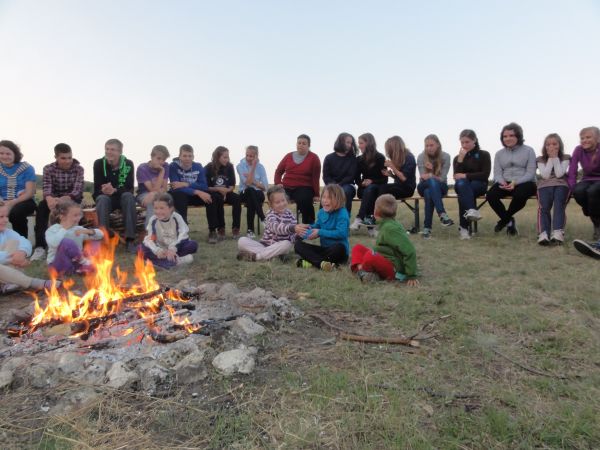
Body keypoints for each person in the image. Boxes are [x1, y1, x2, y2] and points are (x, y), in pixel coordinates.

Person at [350, 194, 419, 286]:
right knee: (358, 248)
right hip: (383, 258)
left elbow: (409, 251)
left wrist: (411, 275)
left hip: (393, 268)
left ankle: (364, 271)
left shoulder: (391, 228)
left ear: (376, 212)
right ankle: (363, 271)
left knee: (370, 256)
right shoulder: (386, 224)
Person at [32, 143, 85, 261]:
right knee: (42, 207)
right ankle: (40, 247)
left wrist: (61, 200)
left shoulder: (78, 169)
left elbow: (77, 190)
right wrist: (50, 199)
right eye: (63, 158)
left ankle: (74, 246)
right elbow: (47, 187)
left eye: (69, 157)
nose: (67, 161)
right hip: (54, 198)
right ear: (56, 157)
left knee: (73, 209)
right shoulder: (48, 168)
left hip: (72, 198)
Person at [485, 122, 537, 236]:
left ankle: (504, 220)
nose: (507, 138)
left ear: (518, 136)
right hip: (505, 181)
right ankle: (509, 221)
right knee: (490, 195)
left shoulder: (529, 150)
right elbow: (497, 173)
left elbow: (531, 173)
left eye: (511, 135)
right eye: (505, 136)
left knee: (520, 195)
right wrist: (502, 182)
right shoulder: (499, 154)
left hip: (525, 182)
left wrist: (515, 183)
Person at [169, 144, 221, 244]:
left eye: (190, 156)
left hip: (194, 195)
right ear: (179, 156)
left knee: (212, 196)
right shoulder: (173, 166)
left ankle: (212, 231)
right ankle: (183, 232)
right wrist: (197, 191)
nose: (187, 158)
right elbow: (175, 187)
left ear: (193, 157)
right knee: (178, 195)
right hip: (182, 195)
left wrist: (185, 183)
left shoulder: (198, 166)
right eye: (184, 156)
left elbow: (204, 186)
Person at [0, 201, 56, 294]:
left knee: (14, 242)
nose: (6, 220)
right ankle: (34, 283)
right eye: (1, 217)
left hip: (5, 272)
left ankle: (8, 284)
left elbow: (24, 241)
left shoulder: (6, 232)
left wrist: (22, 252)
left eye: (6, 216)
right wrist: (12, 258)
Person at [92, 139, 137, 252]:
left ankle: (130, 239)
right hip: (105, 197)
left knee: (128, 197)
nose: (109, 152)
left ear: (120, 152)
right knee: (102, 199)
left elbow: (129, 188)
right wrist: (105, 190)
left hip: (122, 197)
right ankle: (104, 238)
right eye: (107, 149)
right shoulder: (98, 163)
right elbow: (97, 188)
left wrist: (115, 190)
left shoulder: (128, 164)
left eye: (113, 149)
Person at [294, 184, 349, 271]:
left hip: (337, 252)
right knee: (298, 246)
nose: (325, 201)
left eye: (329, 198)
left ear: (338, 200)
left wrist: (320, 232)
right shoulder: (321, 212)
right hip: (324, 250)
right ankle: (321, 263)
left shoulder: (342, 213)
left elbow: (341, 233)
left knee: (339, 248)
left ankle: (312, 262)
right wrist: (306, 228)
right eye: (323, 197)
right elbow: (317, 226)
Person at [237, 186, 299, 261]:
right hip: (264, 245)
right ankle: (271, 256)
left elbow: (294, 232)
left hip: (279, 247)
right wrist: (291, 228)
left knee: (287, 244)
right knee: (242, 241)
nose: (281, 204)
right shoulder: (270, 214)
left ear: (287, 200)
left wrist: (300, 233)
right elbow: (276, 228)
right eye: (277, 202)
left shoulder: (290, 214)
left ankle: (256, 257)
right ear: (271, 205)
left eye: (283, 200)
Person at [45, 199, 104, 276]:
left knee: (95, 243)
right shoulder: (53, 230)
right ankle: (85, 264)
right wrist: (65, 228)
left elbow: (101, 235)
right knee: (66, 242)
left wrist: (90, 231)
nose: (78, 218)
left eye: (79, 215)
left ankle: (81, 269)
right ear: (62, 217)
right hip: (58, 264)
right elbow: (54, 243)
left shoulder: (77, 229)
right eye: (75, 215)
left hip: (75, 263)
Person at [140, 193, 198, 269]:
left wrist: (172, 248)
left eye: (162, 208)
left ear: (171, 208)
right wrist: (157, 250)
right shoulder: (153, 220)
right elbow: (150, 239)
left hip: (176, 248)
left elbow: (183, 235)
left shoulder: (177, 218)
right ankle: (173, 261)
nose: (158, 211)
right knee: (140, 249)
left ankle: (162, 262)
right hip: (161, 248)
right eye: (156, 208)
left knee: (193, 245)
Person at [453, 129, 491, 240]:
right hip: (462, 185)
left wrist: (465, 176)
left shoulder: (484, 154)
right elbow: (456, 176)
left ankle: (463, 228)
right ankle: (472, 211)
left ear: (474, 140)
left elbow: (484, 174)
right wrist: (460, 159)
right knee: (462, 186)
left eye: (467, 142)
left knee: (463, 192)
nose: (464, 145)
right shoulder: (458, 158)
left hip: (479, 185)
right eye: (462, 143)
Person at [274, 134, 321, 224]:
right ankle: (278, 223)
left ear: (308, 146)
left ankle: (309, 225)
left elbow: (316, 178)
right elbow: (278, 171)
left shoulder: (314, 158)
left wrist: (316, 194)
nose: (301, 145)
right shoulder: (288, 156)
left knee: (304, 198)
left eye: (304, 143)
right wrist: (278, 183)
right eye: (299, 143)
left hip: (304, 187)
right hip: (286, 186)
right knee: (276, 196)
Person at [416, 134, 454, 239]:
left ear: (438, 144)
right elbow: (423, 177)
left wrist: (432, 172)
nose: (429, 148)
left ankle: (427, 229)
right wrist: (430, 175)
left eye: (431, 145)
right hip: (423, 186)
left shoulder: (446, 156)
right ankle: (442, 214)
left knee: (429, 192)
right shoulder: (421, 157)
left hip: (441, 187)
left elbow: (442, 178)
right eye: (427, 146)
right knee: (429, 185)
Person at [536, 134, 570, 245]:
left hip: (561, 185)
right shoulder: (540, 159)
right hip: (544, 186)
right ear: (544, 147)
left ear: (559, 145)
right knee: (544, 207)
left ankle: (558, 232)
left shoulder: (565, 157)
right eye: (548, 144)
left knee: (559, 206)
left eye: (554, 144)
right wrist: (551, 159)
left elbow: (560, 174)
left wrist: (555, 158)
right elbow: (545, 175)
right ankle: (543, 233)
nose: (551, 147)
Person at [568, 126, 600, 240]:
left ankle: (597, 226)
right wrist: (572, 186)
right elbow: (572, 169)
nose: (584, 140)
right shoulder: (578, 150)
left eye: (588, 137)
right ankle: (590, 211)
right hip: (587, 179)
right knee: (579, 191)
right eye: (582, 138)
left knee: (592, 192)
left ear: (597, 138)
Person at [351, 133, 388, 231]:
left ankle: (359, 218)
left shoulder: (380, 157)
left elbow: (385, 179)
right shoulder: (359, 159)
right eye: (359, 143)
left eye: (361, 143)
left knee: (372, 189)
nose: (359, 146)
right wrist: (361, 183)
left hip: (378, 189)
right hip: (363, 190)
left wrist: (372, 181)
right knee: (369, 190)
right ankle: (370, 227)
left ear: (369, 143)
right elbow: (356, 178)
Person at [0, 140, 37, 239]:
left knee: (16, 213)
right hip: (2, 201)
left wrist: (12, 202)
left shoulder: (27, 168)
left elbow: (30, 192)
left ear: (15, 154)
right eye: (1, 153)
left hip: (24, 200)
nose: (4, 156)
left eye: (8, 153)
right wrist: (2, 202)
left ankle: (22, 242)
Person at [205, 146, 242, 240]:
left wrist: (225, 192)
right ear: (217, 157)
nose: (227, 159)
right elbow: (206, 187)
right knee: (215, 198)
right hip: (214, 193)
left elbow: (232, 185)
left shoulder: (229, 166)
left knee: (237, 198)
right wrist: (219, 190)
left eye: (228, 157)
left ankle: (236, 228)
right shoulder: (209, 167)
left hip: (227, 192)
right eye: (224, 157)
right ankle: (218, 229)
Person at [236, 145, 268, 238]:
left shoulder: (261, 167)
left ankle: (250, 230)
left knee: (253, 194)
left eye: (251, 156)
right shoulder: (240, 166)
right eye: (247, 155)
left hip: (258, 194)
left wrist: (253, 180)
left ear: (256, 156)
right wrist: (253, 167)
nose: (249, 158)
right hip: (243, 193)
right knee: (250, 190)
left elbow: (265, 187)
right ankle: (263, 218)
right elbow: (247, 183)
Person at [323, 133, 358, 213]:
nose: (350, 145)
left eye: (351, 143)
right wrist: (334, 186)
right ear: (341, 142)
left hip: (348, 185)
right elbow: (326, 176)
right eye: (348, 142)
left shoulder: (352, 159)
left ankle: (344, 220)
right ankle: (324, 220)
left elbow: (351, 176)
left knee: (345, 191)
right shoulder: (329, 158)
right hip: (331, 185)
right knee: (326, 193)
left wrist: (339, 185)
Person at [136, 145, 170, 226]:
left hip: (159, 193)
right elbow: (152, 190)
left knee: (169, 200)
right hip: (144, 194)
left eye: (164, 160)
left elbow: (164, 188)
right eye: (158, 158)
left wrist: (162, 171)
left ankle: (169, 231)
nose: (161, 162)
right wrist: (154, 193)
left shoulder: (165, 166)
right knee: (154, 202)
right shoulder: (143, 168)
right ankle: (150, 232)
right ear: (152, 156)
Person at [380, 136, 417, 200]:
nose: (388, 151)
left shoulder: (409, 157)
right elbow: (399, 178)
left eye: (389, 149)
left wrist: (392, 166)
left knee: (384, 190)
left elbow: (404, 178)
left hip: (407, 189)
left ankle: (383, 209)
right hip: (399, 186)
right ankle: (378, 209)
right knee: (379, 188)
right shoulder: (398, 158)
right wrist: (391, 175)